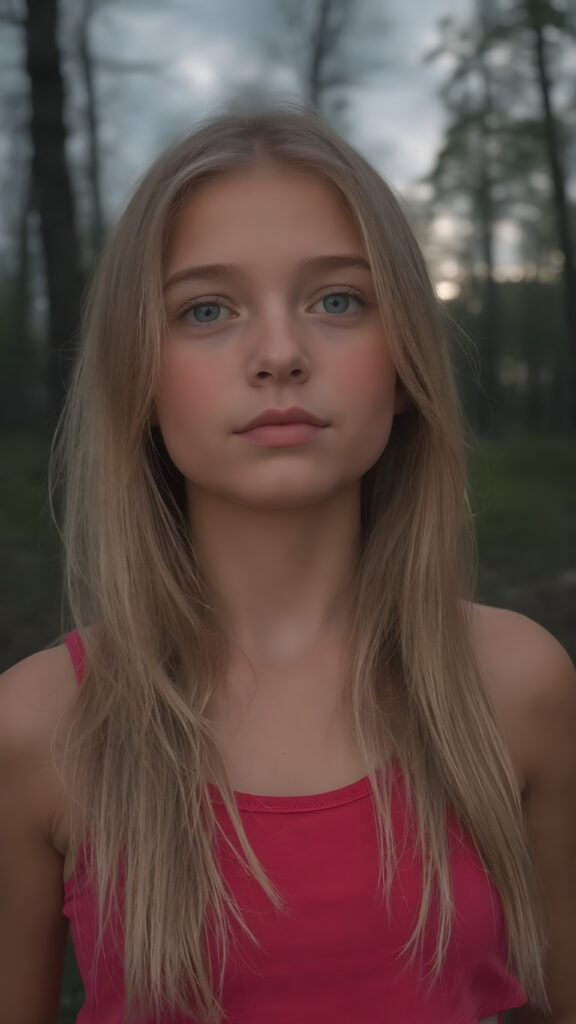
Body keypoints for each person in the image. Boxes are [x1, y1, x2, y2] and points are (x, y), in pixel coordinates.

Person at [0, 103, 575, 1024]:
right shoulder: (41, 728)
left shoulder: (518, 686)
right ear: (137, 374)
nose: (279, 355)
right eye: (207, 309)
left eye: (337, 300)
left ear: (405, 361)